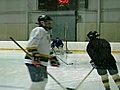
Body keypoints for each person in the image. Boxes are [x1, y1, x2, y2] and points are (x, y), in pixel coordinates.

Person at [24, 15, 60, 90]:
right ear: (42, 23)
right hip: (34, 62)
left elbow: (47, 48)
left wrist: (52, 57)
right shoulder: (39, 30)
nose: (50, 24)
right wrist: (35, 56)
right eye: (48, 22)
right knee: (38, 83)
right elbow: (31, 44)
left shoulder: (46, 33)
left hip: (42, 62)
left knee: (44, 81)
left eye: (51, 22)